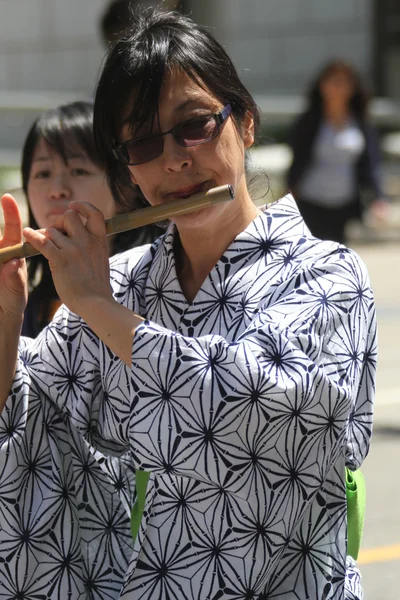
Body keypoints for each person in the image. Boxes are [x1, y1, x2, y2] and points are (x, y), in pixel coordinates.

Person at [0, 8, 376, 599]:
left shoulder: (330, 275)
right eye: (143, 142)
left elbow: (269, 413)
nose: (174, 160)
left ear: (245, 122)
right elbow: (36, 426)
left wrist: (97, 304)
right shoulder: (122, 283)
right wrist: (3, 325)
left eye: (195, 125)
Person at [21, 100, 163, 336]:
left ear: (126, 188)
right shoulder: (25, 303)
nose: (57, 189)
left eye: (79, 171)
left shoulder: (161, 284)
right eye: (43, 173)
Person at [287, 59, 387, 243]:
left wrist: (377, 198)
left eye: (344, 83)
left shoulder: (360, 122)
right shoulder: (310, 121)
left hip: (345, 203)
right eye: (333, 82)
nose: (338, 88)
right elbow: (297, 161)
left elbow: (370, 164)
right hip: (312, 202)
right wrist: (289, 194)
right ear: (322, 86)